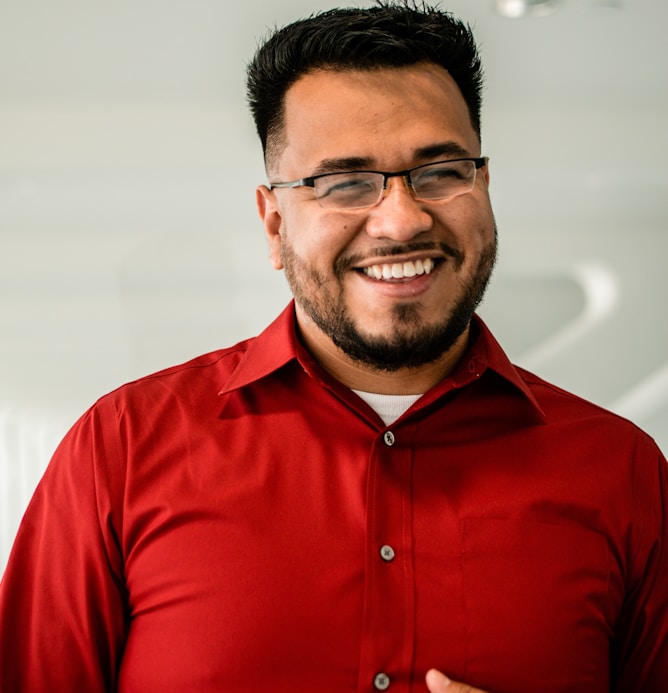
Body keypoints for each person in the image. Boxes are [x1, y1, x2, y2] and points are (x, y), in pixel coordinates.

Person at [0, 1, 666, 691]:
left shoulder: (625, 475)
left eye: (440, 172)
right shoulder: (119, 453)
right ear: (272, 223)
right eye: (344, 183)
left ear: (484, 185)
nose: (402, 219)